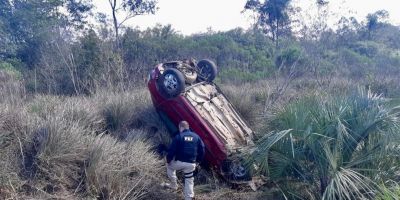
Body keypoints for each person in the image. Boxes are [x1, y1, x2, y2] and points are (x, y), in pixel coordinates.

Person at [163, 121, 205, 200]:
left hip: (179, 163)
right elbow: (202, 149)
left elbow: (171, 151)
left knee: (169, 166)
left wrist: (168, 160)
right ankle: (189, 197)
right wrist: (198, 161)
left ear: (180, 127)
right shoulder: (196, 137)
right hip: (191, 164)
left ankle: (174, 185)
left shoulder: (179, 136)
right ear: (188, 127)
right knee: (189, 179)